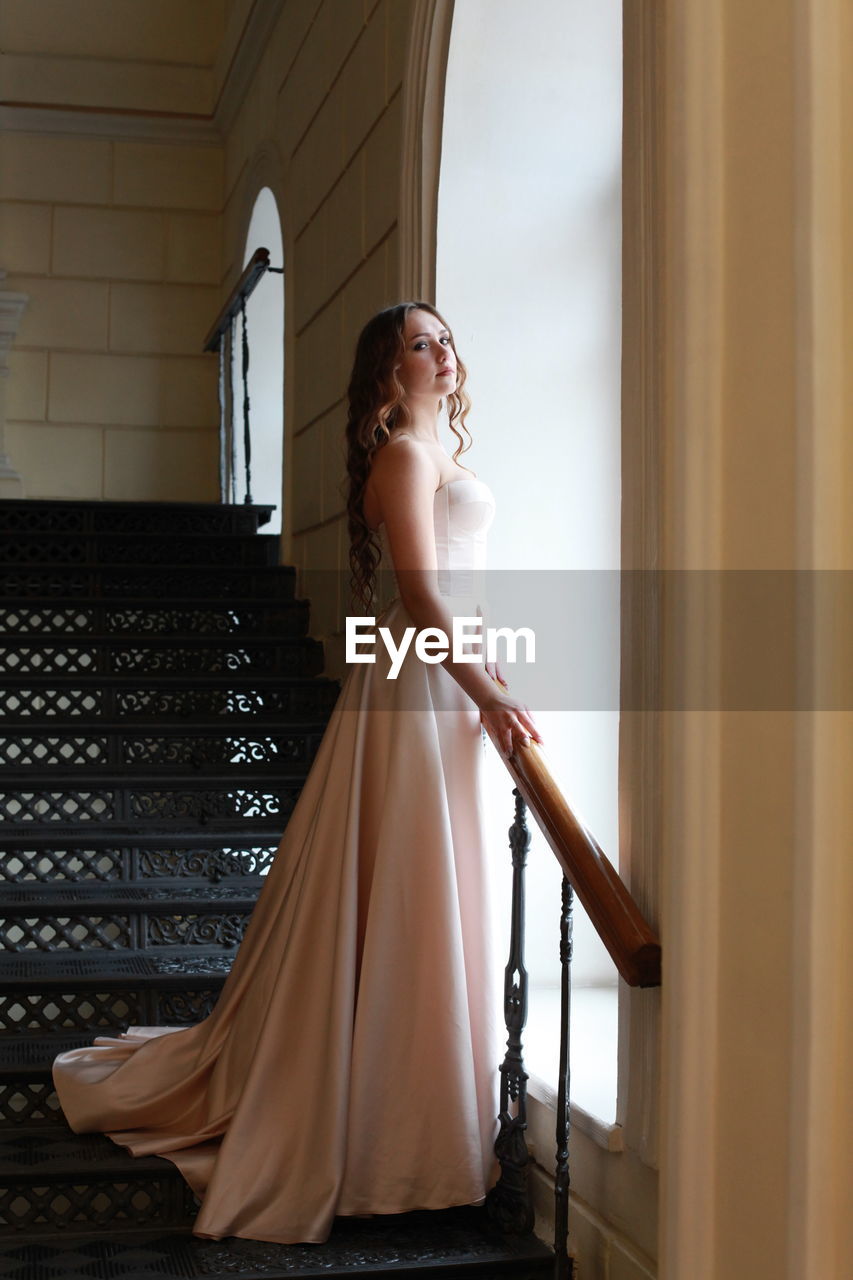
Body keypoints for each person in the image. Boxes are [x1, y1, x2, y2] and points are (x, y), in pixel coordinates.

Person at [52, 301, 542, 1245]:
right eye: (418, 344)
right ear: (385, 371)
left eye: (444, 339)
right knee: (408, 884)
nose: (442, 353)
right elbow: (419, 593)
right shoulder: (403, 456)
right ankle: (390, 1131)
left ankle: (420, 1116)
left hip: (441, 678)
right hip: (417, 682)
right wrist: (481, 687)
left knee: (436, 881)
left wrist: (485, 671)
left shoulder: (435, 453)